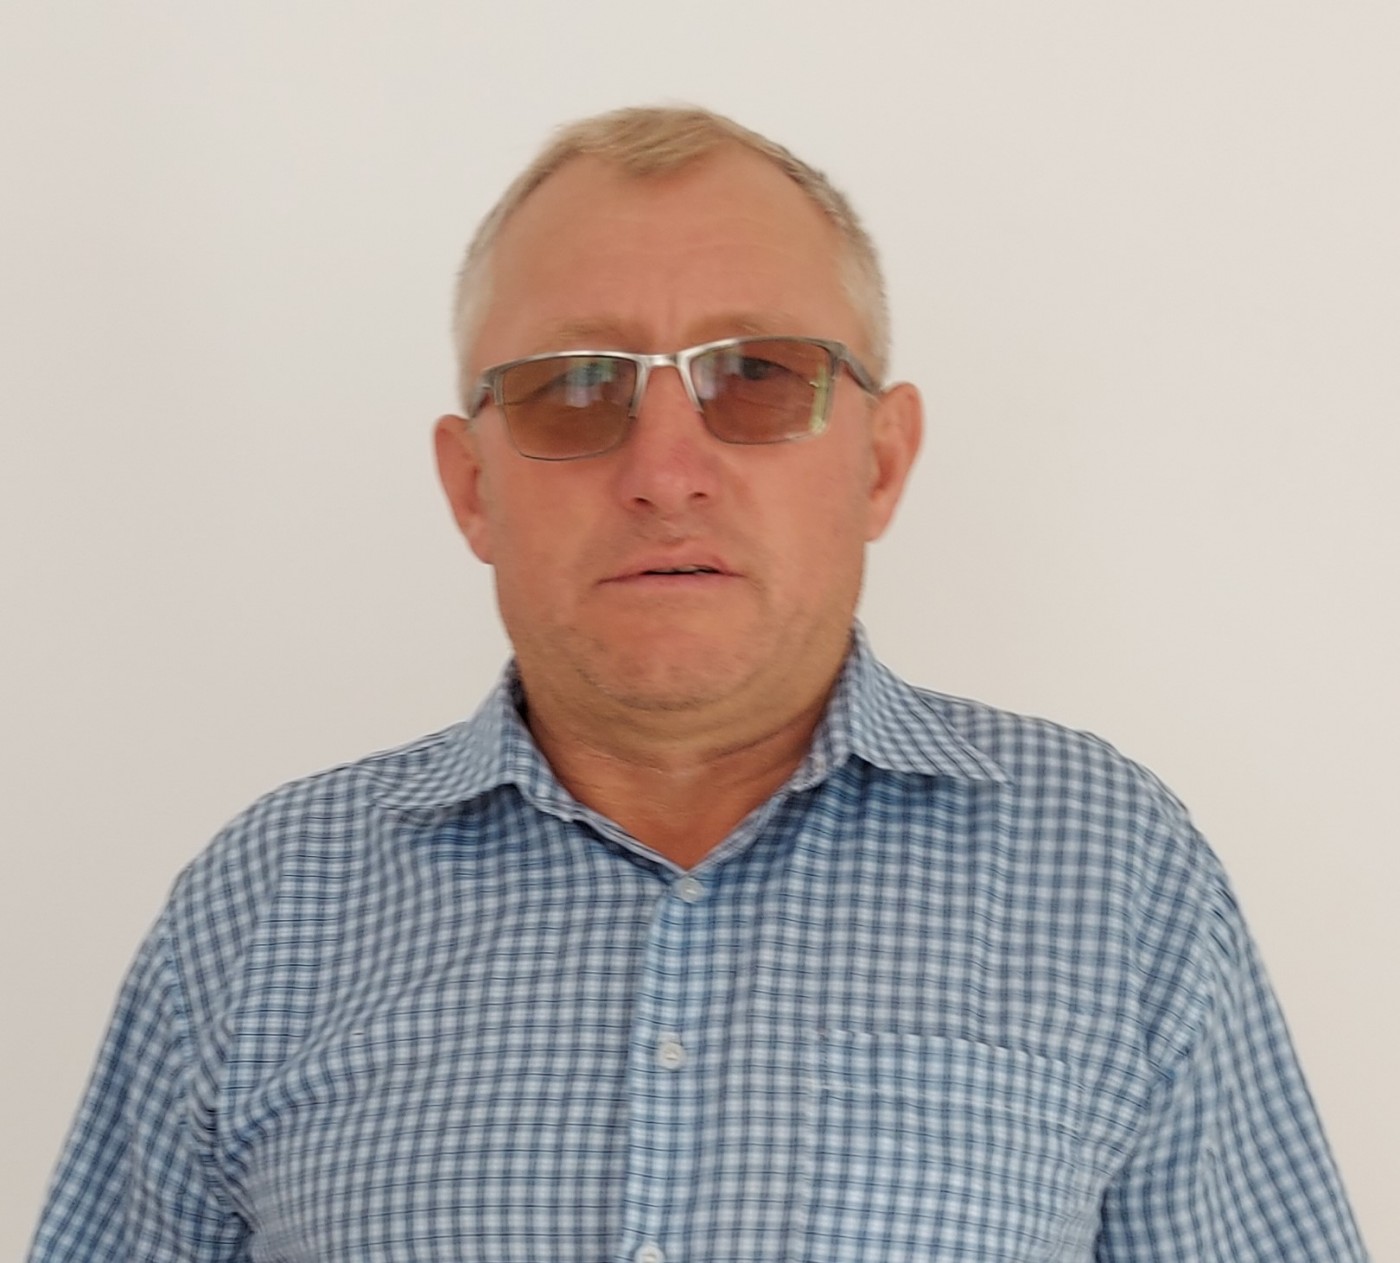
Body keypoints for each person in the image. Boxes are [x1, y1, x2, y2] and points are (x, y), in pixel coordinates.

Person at [29, 106, 1366, 1262]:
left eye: (759, 377)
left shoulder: (1111, 872)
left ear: (882, 462)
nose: (666, 470)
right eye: (573, 388)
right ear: (471, 484)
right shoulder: (265, 906)